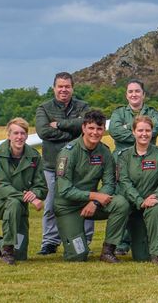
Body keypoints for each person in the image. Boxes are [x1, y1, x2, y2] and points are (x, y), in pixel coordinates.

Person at [108, 116, 158, 264]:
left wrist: (156, 197)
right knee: (140, 256)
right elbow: (124, 183)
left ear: (152, 132)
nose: (144, 134)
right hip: (136, 206)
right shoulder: (124, 156)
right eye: (140, 130)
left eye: (148, 130)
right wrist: (140, 201)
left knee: (155, 210)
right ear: (133, 132)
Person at [34, 72, 91, 255]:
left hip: (79, 165)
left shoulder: (83, 106)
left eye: (67, 86)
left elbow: (85, 125)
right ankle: (49, 241)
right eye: (60, 86)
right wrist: (72, 134)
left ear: (72, 88)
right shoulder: (44, 108)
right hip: (52, 165)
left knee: (84, 201)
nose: (63, 90)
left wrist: (58, 124)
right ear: (54, 88)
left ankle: (85, 239)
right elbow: (43, 132)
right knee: (51, 204)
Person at [53, 109, 122, 262]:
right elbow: (64, 190)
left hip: (91, 204)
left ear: (104, 130)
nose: (95, 132)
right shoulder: (68, 153)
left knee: (121, 203)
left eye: (99, 128)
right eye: (91, 128)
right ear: (83, 128)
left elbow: (110, 183)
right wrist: (95, 196)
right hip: (68, 207)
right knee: (78, 256)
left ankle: (108, 250)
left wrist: (95, 202)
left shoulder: (104, 152)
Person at [0, 118, 47, 265]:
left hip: (21, 204)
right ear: (9, 135)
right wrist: (29, 198)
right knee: (13, 203)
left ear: (26, 136)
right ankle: (7, 250)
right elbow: (0, 186)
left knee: (20, 256)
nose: (19, 137)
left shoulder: (34, 156)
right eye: (15, 133)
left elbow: (42, 187)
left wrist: (35, 193)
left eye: (23, 133)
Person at [109, 79, 158, 148]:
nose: (133, 95)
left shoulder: (152, 112)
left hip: (148, 154)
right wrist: (143, 135)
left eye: (137, 91)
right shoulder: (118, 112)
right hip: (123, 156)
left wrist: (127, 127)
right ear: (127, 95)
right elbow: (115, 131)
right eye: (130, 92)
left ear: (143, 94)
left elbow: (155, 130)